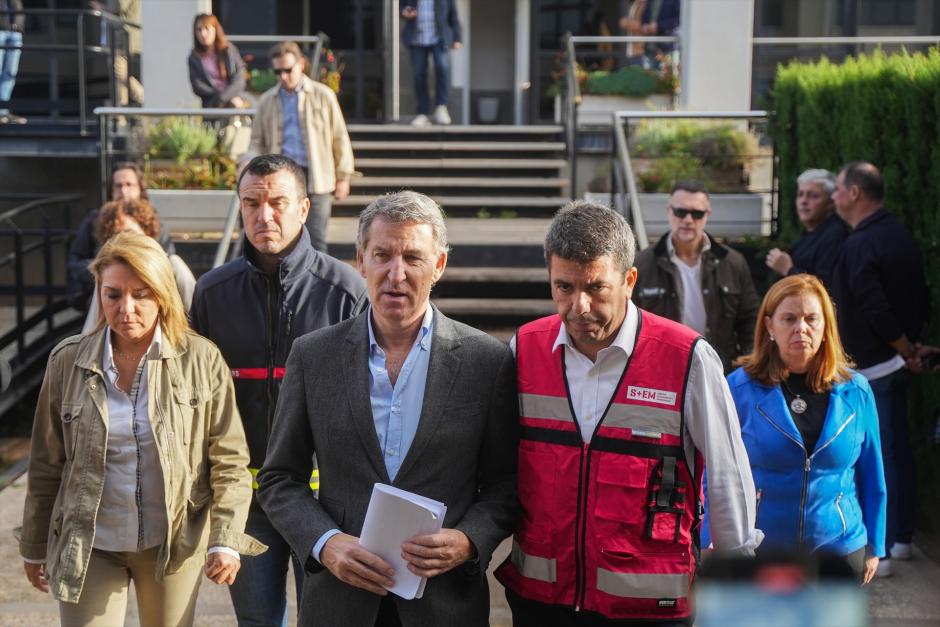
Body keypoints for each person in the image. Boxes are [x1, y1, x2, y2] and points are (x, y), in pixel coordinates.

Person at [256, 190, 519, 625]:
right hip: (340, 603)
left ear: (439, 266)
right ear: (361, 261)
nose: (396, 274)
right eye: (382, 255)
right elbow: (279, 478)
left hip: (442, 605)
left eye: (413, 258)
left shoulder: (485, 361)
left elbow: (505, 485)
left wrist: (469, 540)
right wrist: (325, 542)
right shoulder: (313, 355)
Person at [495, 201, 761, 625]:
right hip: (542, 603)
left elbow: (727, 473)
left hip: (650, 609)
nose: (578, 306)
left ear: (629, 280)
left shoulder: (687, 358)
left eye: (595, 287)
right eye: (564, 287)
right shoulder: (524, 349)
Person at [20, 232, 264, 626]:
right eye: (113, 294)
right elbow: (46, 464)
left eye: (141, 294)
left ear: (163, 295)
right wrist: (34, 546)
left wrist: (225, 539)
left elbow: (230, 460)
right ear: (99, 293)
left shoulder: (201, 359)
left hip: (173, 542)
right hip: (90, 541)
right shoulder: (66, 361)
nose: (126, 308)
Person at [191, 154, 367, 626]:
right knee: (257, 622)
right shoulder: (211, 293)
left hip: (327, 501)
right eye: (251, 203)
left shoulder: (346, 291)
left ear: (305, 208)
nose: (264, 215)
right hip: (246, 504)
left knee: (326, 618)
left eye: (277, 202)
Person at [702, 274, 886, 585]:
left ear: (826, 327)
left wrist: (876, 544)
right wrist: (711, 540)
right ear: (769, 326)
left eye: (811, 318)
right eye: (789, 318)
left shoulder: (857, 391)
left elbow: (872, 472)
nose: (801, 327)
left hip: (840, 549)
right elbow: (714, 473)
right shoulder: (738, 389)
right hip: (760, 549)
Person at [830, 161, 932, 576]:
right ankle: (902, 538)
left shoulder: (861, 243)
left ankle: (885, 548)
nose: (835, 195)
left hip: (875, 366)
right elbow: (920, 296)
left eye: (837, 188)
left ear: (855, 192)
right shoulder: (899, 233)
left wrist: (904, 347)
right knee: (897, 450)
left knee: (876, 455)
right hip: (895, 360)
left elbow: (873, 304)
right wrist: (912, 347)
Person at [633, 180, 760, 373]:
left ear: (707, 214)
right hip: (661, 370)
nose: (688, 220)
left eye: (697, 213)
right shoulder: (641, 264)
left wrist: (749, 366)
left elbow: (750, 319)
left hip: (718, 370)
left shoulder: (732, 262)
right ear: (669, 211)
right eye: (680, 212)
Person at [243, 41, 355, 253]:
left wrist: (343, 176)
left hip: (318, 175)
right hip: (281, 176)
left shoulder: (323, 95)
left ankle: (316, 285)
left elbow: (339, 136)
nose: (283, 76)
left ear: (301, 64)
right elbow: (256, 140)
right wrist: (249, 160)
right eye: (278, 71)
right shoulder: (267, 100)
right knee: (284, 236)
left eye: (288, 69)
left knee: (316, 238)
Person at [68, 162, 174, 310]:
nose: (124, 191)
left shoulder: (154, 223)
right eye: (118, 186)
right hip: (103, 292)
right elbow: (75, 262)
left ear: (140, 189)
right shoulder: (95, 221)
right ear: (111, 190)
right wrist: (105, 270)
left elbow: (168, 262)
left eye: (129, 185)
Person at [80, 199, 196, 333]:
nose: (125, 242)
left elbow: (198, 315)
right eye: (116, 236)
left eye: (130, 233)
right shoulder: (107, 274)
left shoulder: (173, 266)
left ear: (148, 232)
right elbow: (93, 326)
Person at [765, 169, 849, 291]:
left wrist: (788, 269)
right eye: (800, 194)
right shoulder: (811, 231)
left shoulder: (835, 236)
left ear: (831, 203)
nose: (803, 201)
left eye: (813, 196)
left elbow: (825, 290)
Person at [400, 0, 462, 126]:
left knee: (442, 67)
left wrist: (457, 38)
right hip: (417, 39)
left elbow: (453, 16)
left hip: (439, 39)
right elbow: (401, 7)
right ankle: (422, 113)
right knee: (419, 75)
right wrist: (404, 12)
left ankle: (441, 107)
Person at [188, 13, 248, 109]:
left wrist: (225, 97)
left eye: (207, 28)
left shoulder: (229, 50)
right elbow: (198, 86)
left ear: (215, 29)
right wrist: (220, 98)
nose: (203, 34)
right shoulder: (194, 57)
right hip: (212, 104)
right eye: (199, 29)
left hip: (236, 100)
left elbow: (240, 80)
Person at [0, 0, 26, 124]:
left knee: (10, 73)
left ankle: (3, 112)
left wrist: (18, 25)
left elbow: (18, 6)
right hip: (1, 31)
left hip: (15, 33)